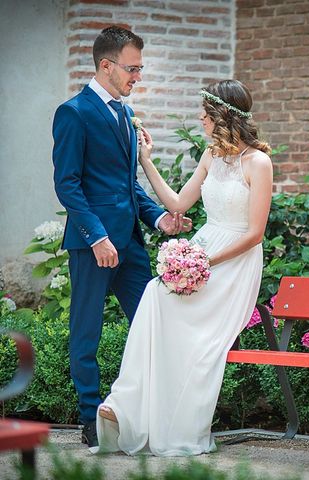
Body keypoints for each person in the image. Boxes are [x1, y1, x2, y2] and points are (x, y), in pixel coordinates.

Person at [93, 79, 273, 456]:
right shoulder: (211, 156)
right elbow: (177, 203)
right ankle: (125, 406)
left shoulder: (258, 162)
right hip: (204, 247)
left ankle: (179, 427)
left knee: (200, 341)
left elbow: (255, 234)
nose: (200, 121)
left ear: (224, 116)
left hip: (234, 261)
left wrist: (206, 260)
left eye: (205, 115)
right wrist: (145, 160)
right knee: (155, 296)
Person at [52, 25, 190, 448]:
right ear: (105, 65)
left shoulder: (127, 115)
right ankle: (90, 417)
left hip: (130, 244)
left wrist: (159, 220)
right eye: (132, 69)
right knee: (86, 331)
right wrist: (95, 236)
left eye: (140, 69)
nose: (137, 77)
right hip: (93, 246)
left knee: (150, 325)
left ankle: (143, 411)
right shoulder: (73, 112)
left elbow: (128, 185)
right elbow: (68, 183)